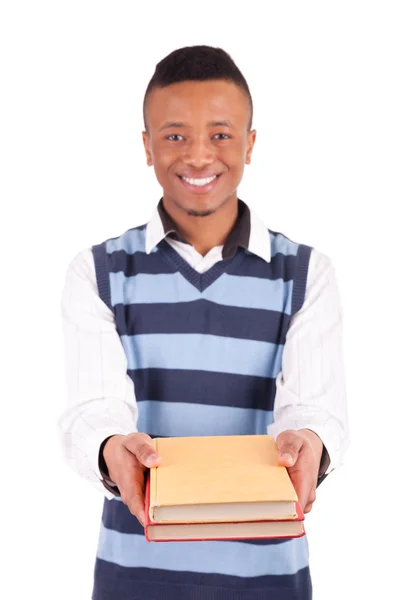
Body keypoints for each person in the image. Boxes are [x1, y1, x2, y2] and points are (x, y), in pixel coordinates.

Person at [59, 45, 349, 600]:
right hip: (134, 577)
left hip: (269, 580)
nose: (197, 156)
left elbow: (315, 407)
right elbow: (94, 408)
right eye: (174, 135)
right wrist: (111, 446)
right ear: (146, 146)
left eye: (220, 134)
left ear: (250, 144)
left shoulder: (305, 274)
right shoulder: (98, 272)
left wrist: (310, 440)